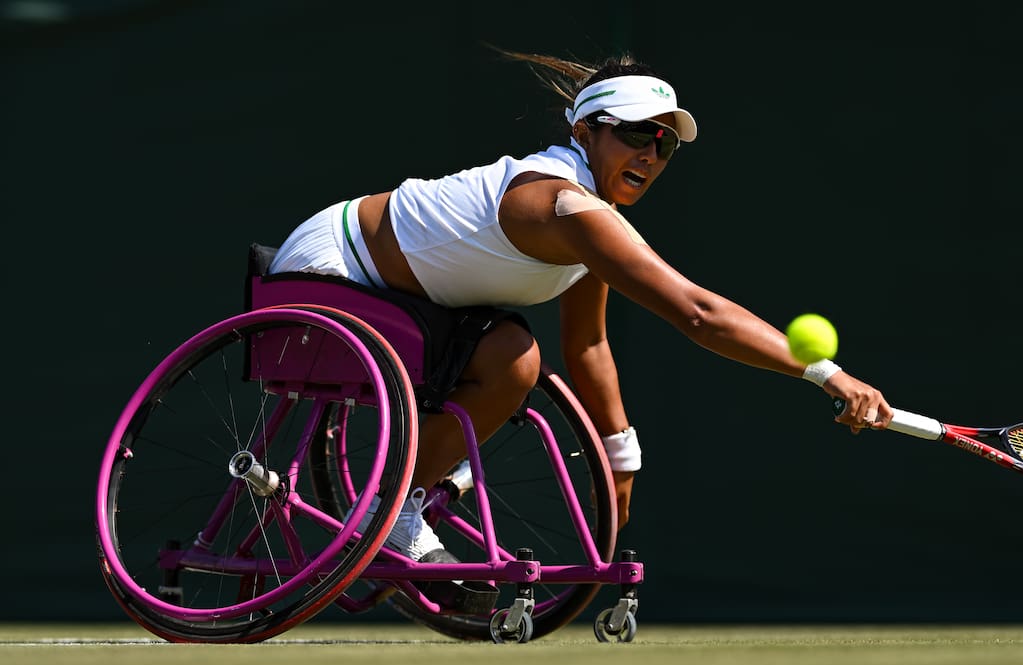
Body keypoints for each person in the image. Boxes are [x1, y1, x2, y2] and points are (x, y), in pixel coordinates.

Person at [268, 47, 894, 565]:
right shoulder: (565, 209)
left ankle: (397, 500)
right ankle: (390, 506)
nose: (649, 155)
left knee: (514, 358)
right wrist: (827, 375)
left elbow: (588, 345)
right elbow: (697, 314)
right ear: (583, 132)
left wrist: (619, 456)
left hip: (395, 299)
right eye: (633, 136)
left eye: (664, 145)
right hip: (328, 271)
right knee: (513, 353)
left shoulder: (595, 218)